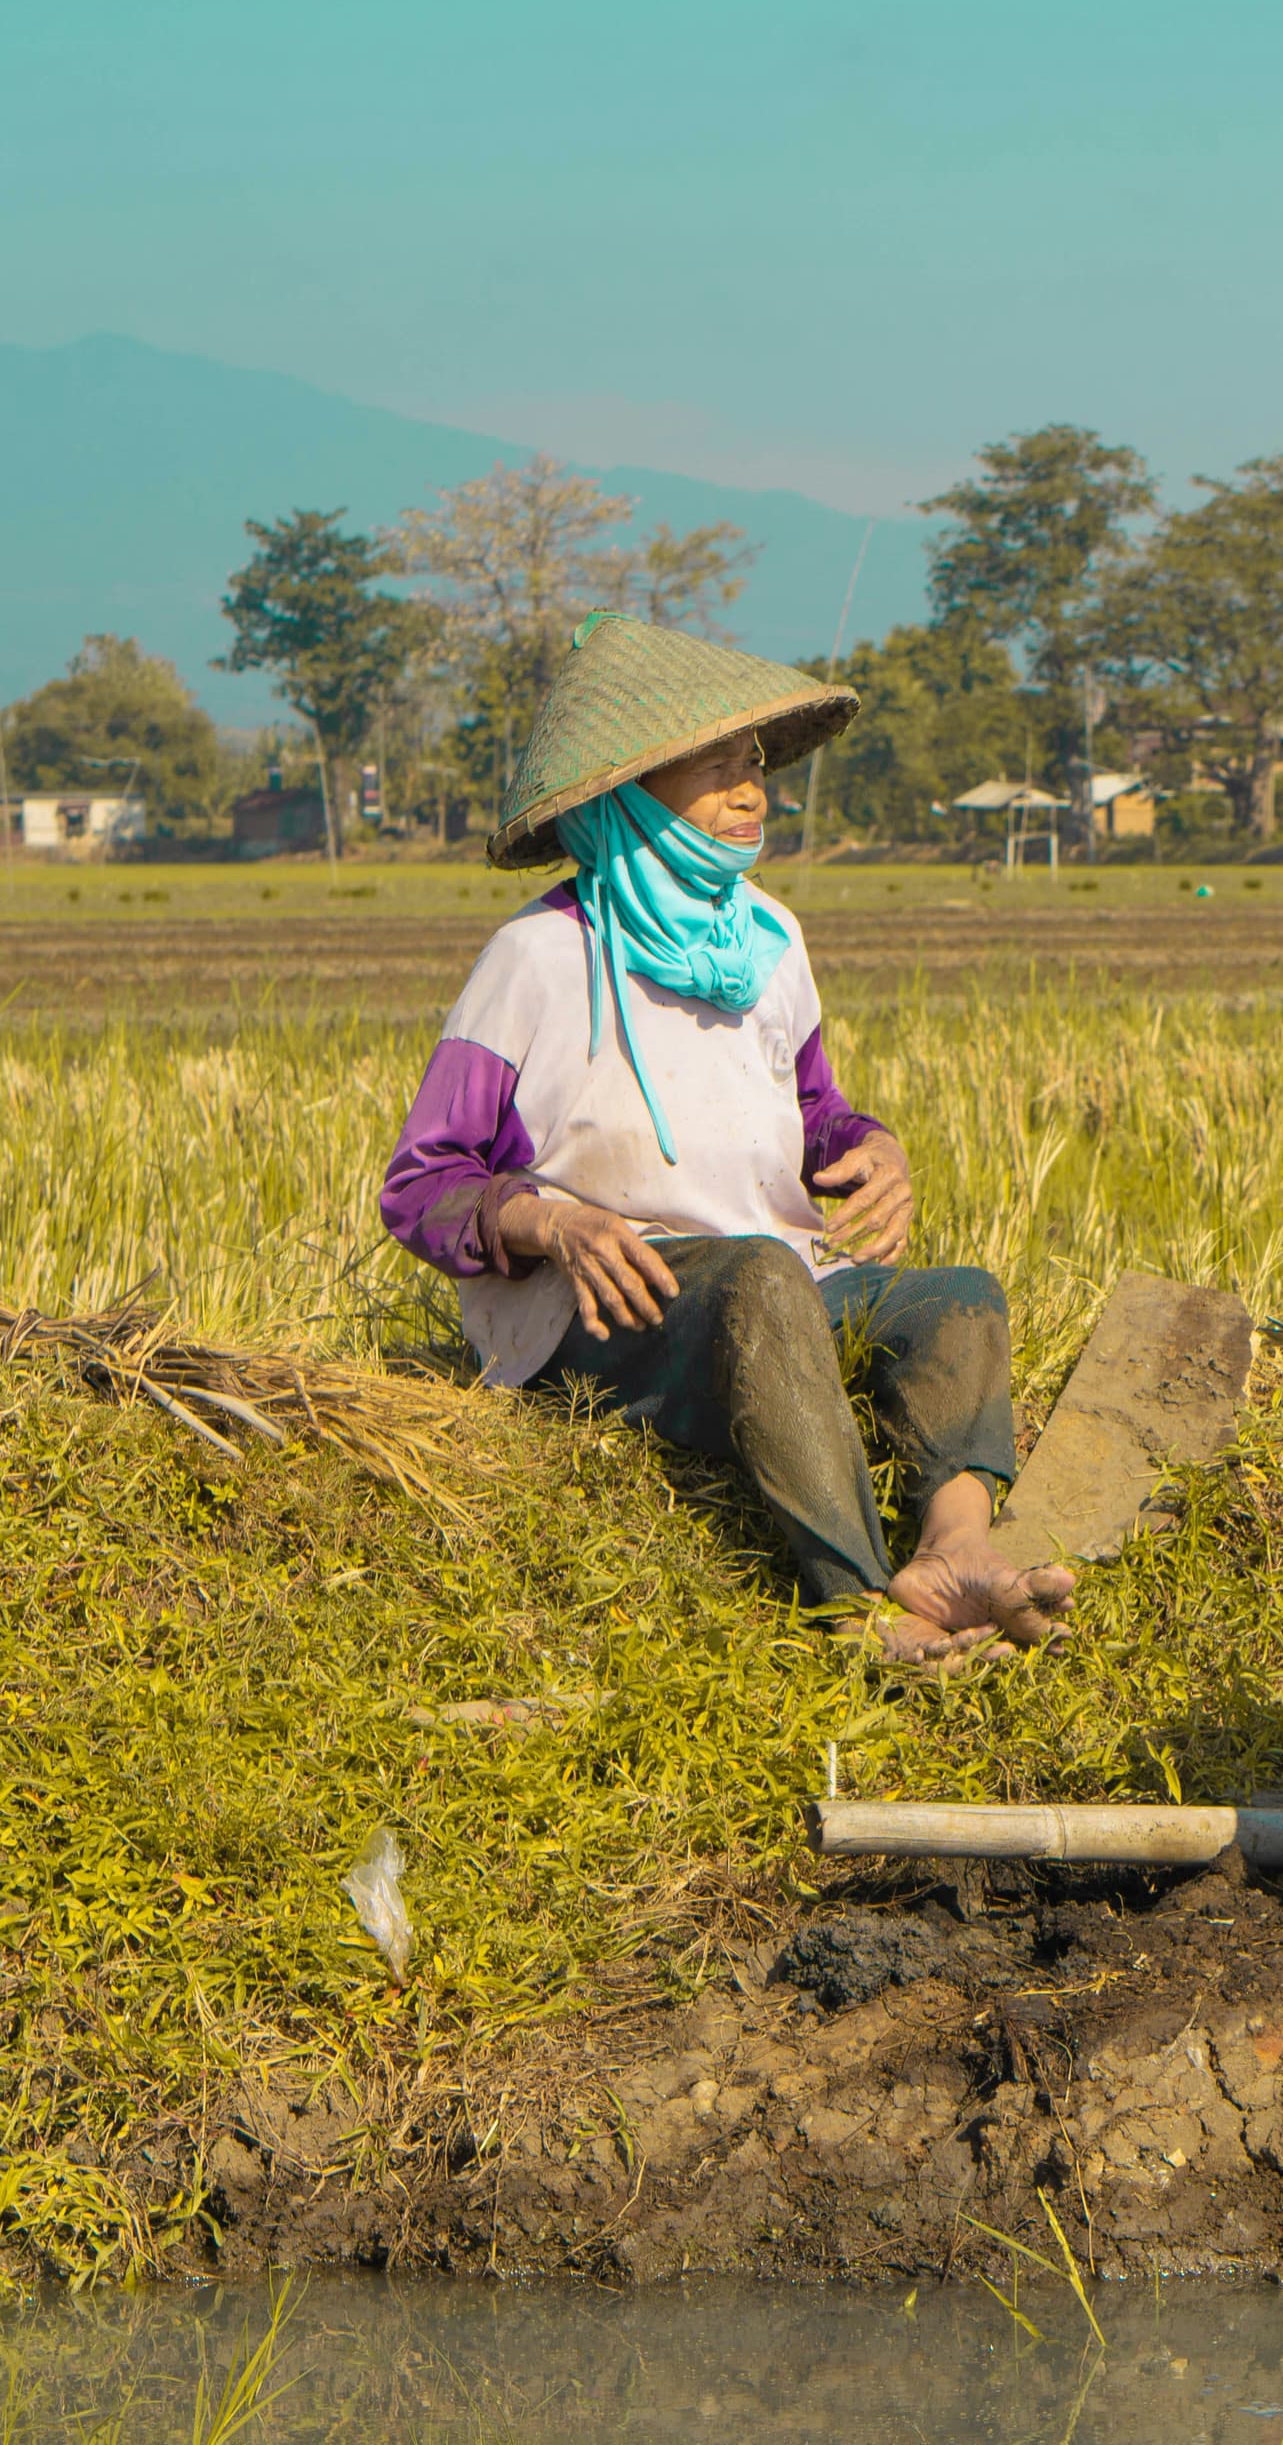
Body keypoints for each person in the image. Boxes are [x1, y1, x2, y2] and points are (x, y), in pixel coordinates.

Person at [379, 611, 1073, 1673]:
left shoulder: (769, 938)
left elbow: (814, 1112)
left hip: (779, 1272)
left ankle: (954, 1543)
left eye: (753, 763)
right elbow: (423, 1182)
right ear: (626, 794)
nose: (753, 790)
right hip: (614, 1307)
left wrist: (873, 1148)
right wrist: (550, 1221)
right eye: (716, 768)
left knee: (960, 1297)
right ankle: (856, 1604)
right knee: (757, 1280)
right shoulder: (535, 958)